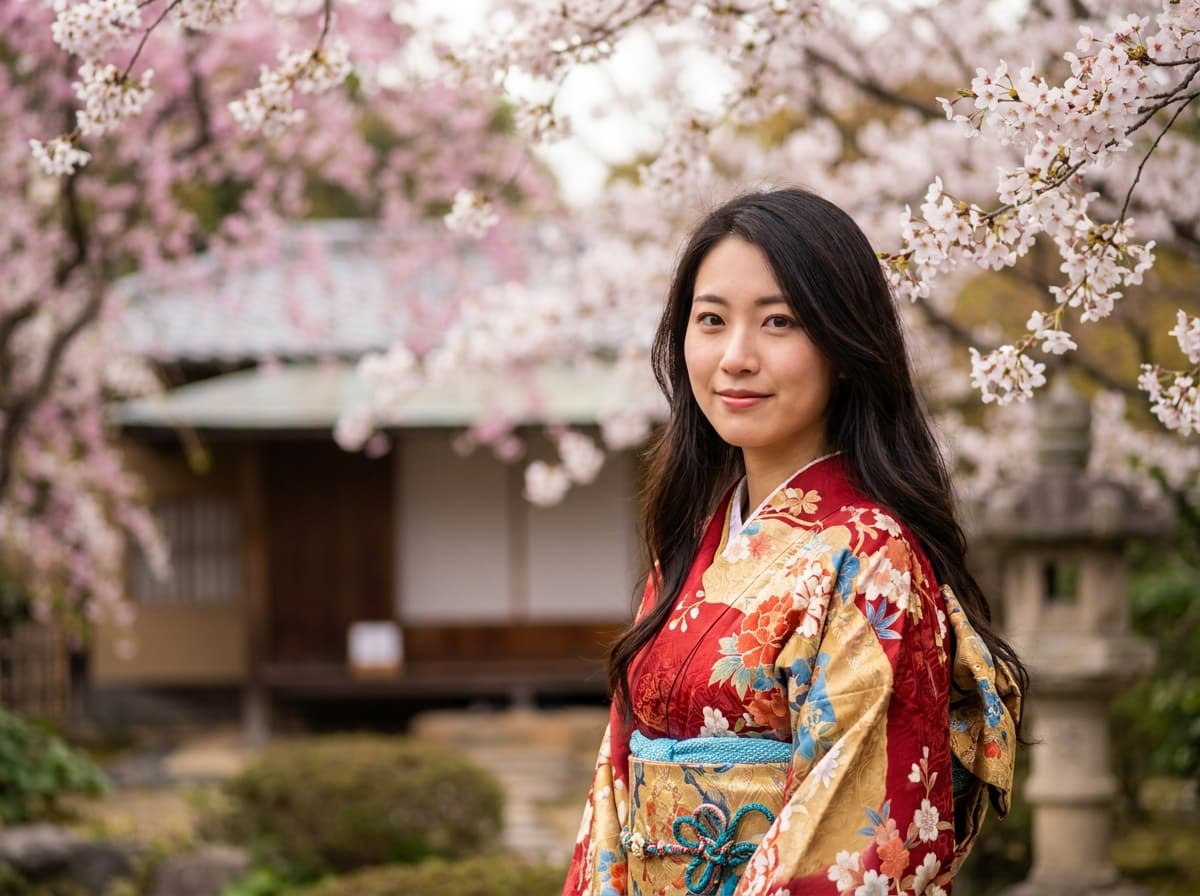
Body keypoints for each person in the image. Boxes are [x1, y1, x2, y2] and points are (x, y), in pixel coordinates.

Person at [562, 189, 1026, 896]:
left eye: (779, 322)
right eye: (711, 320)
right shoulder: (691, 547)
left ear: (843, 346)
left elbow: (856, 834)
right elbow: (615, 792)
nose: (736, 357)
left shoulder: (873, 561)